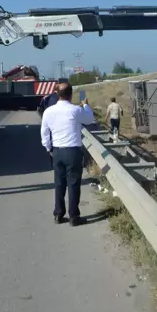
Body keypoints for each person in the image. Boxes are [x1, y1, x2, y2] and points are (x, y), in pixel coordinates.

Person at [40, 82, 95, 226]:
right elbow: (90, 119)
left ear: (57, 94)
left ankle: (58, 214)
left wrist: (49, 149)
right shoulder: (75, 110)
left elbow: (44, 133)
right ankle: (73, 216)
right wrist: (86, 105)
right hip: (73, 151)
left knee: (59, 183)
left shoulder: (48, 111)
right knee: (73, 183)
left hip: (57, 151)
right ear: (71, 94)